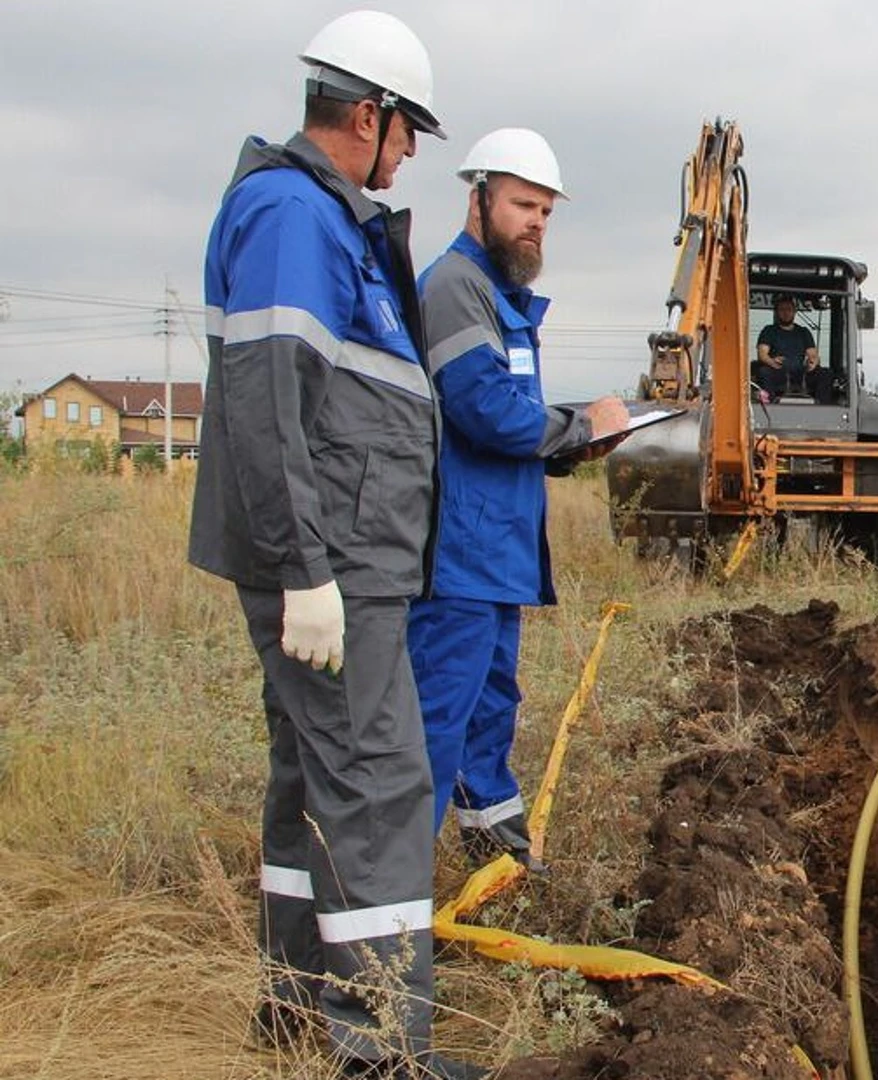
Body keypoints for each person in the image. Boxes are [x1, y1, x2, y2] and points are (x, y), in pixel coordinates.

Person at [187, 11, 487, 1078]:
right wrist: (306, 571)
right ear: (367, 116)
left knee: (313, 786)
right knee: (380, 786)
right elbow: (270, 401)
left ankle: (297, 1017)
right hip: (329, 571)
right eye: (407, 137)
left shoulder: (323, 225)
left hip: (345, 563)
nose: (407, 160)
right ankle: (382, 1058)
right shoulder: (292, 215)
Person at [409, 129, 630, 873]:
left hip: (496, 551)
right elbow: (486, 411)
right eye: (521, 204)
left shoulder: (499, 296)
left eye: (545, 210)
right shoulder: (454, 287)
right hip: (458, 555)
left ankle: (494, 846)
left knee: (490, 707)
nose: (536, 221)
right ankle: (389, 898)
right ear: (477, 201)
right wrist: (581, 423)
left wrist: (575, 446)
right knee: (439, 718)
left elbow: (513, 428)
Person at [752, 295, 818, 399]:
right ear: (776, 312)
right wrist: (772, 362)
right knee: (764, 372)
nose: (785, 313)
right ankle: (770, 405)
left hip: (800, 373)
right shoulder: (769, 331)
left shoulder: (804, 332)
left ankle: (824, 405)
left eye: (789, 309)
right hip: (778, 371)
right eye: (782, 309)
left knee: (826, 374)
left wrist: (812, 362)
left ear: (794, 312)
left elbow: (812, 354)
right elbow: (762, 354)